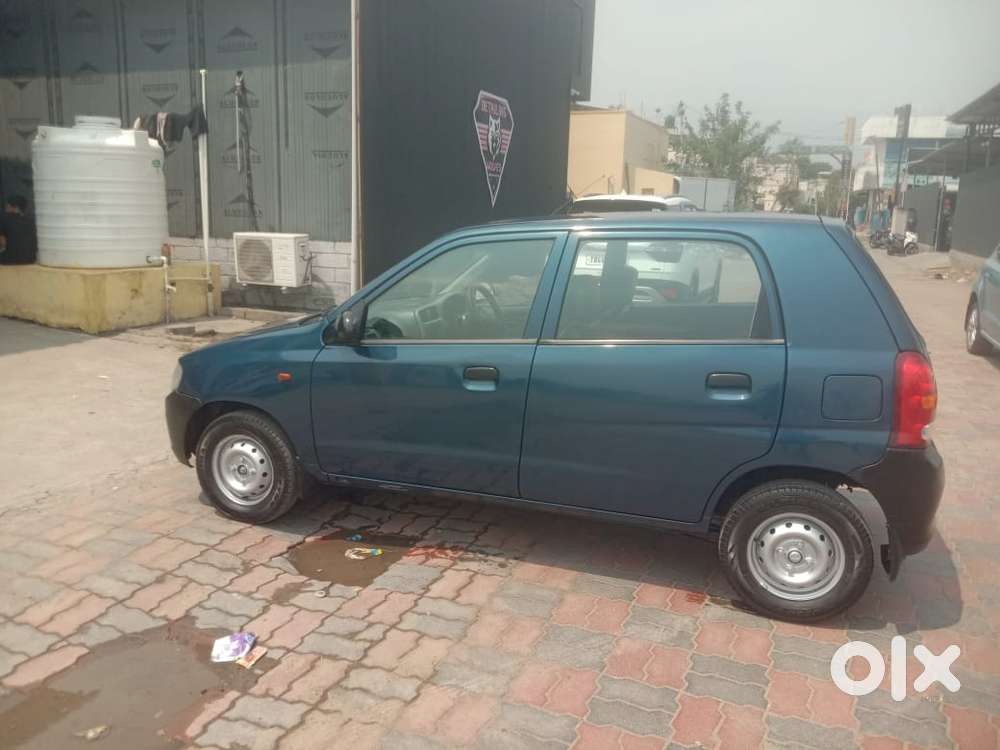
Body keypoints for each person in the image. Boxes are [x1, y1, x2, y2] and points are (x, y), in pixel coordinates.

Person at [0, 195, 38, 265]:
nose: (6, 208)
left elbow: (2, 243)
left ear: (15, 207)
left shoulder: (4, 219)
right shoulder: (31, 221)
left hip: (9, 259)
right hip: (30, 259)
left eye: (7, 206)